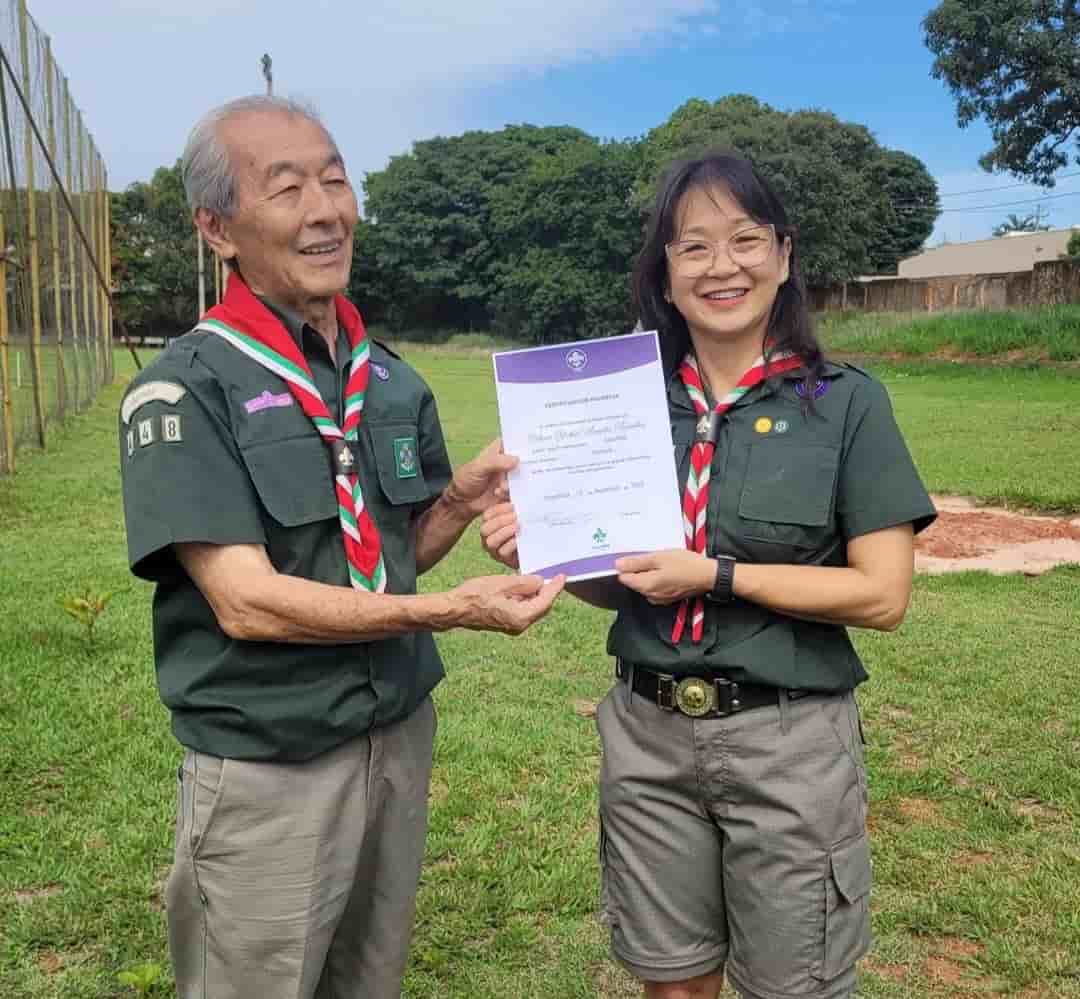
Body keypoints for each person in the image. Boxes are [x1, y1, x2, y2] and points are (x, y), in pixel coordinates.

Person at [118, 95, 563, 999]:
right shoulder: (184, 389)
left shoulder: (390, 380)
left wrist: (456, 501)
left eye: (335, 178)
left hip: (395, 743)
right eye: (287, 189)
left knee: (369, 979)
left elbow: (395, 552)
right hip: (271, 768)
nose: (326, 209)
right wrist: (444, 614)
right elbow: (245, 599)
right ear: (218, 228)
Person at [481, 151, 936, 999]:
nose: (722, 266)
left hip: (789, 743)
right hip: (648, 735)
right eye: (693, 247)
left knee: (791, 986)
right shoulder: (622, 407)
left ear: (785, 256)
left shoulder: (845, 403)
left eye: (746, 239)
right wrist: (545, 549)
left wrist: (717, 575)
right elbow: (627, 580)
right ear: (665, 271)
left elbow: (882, 593)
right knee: (672, 984)